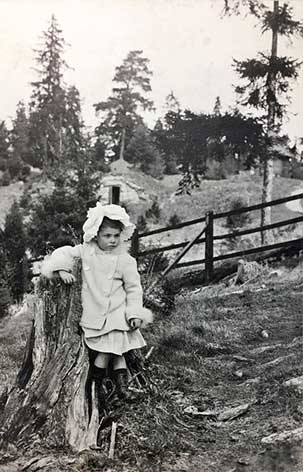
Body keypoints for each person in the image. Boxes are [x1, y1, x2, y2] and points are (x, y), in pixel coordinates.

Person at [41, 203, 152, 411]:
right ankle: (97, 387)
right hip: (96, 314)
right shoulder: (86, 252)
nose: (112, 240)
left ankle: (122, 387)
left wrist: (135, 313)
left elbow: (134, 289)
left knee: (118, 349)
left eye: (116, 236)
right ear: (96, 235)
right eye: (107, 236)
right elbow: (63, 253)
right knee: (107, 352)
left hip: (119, 314)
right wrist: (61, 270)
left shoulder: (125, 260)